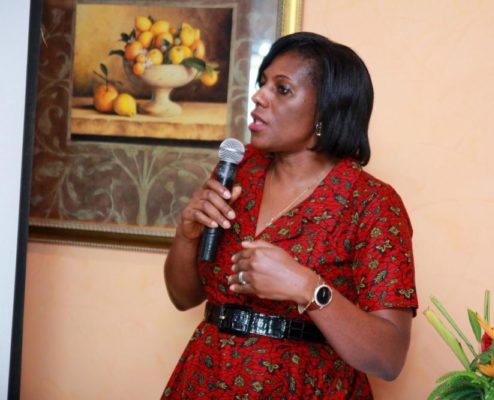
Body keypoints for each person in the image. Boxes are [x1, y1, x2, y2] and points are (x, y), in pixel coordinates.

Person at [162, 31, 418, 399]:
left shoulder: (372, 203)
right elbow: (183, 298)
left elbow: (388, 357)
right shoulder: (238, 174)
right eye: (262, 83)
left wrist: (306, 287)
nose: (259, 97)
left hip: (308, 387)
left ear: (325, 110)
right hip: (206, 379)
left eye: (282, 89)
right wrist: (186, 236)